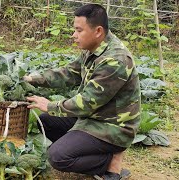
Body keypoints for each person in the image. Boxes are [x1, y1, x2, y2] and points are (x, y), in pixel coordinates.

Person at [24, 4, 140, 180]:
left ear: (98, 31)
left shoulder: (115, 60)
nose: (74, 35)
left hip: (112, 126)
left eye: (79, 30)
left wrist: (50, 105)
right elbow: (70, 72)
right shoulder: (93, 48)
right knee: (45, 121)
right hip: (93, 116)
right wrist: (33, 79)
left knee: (57, 157)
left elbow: (87, 102)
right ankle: (89, 151)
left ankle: (111, 160)